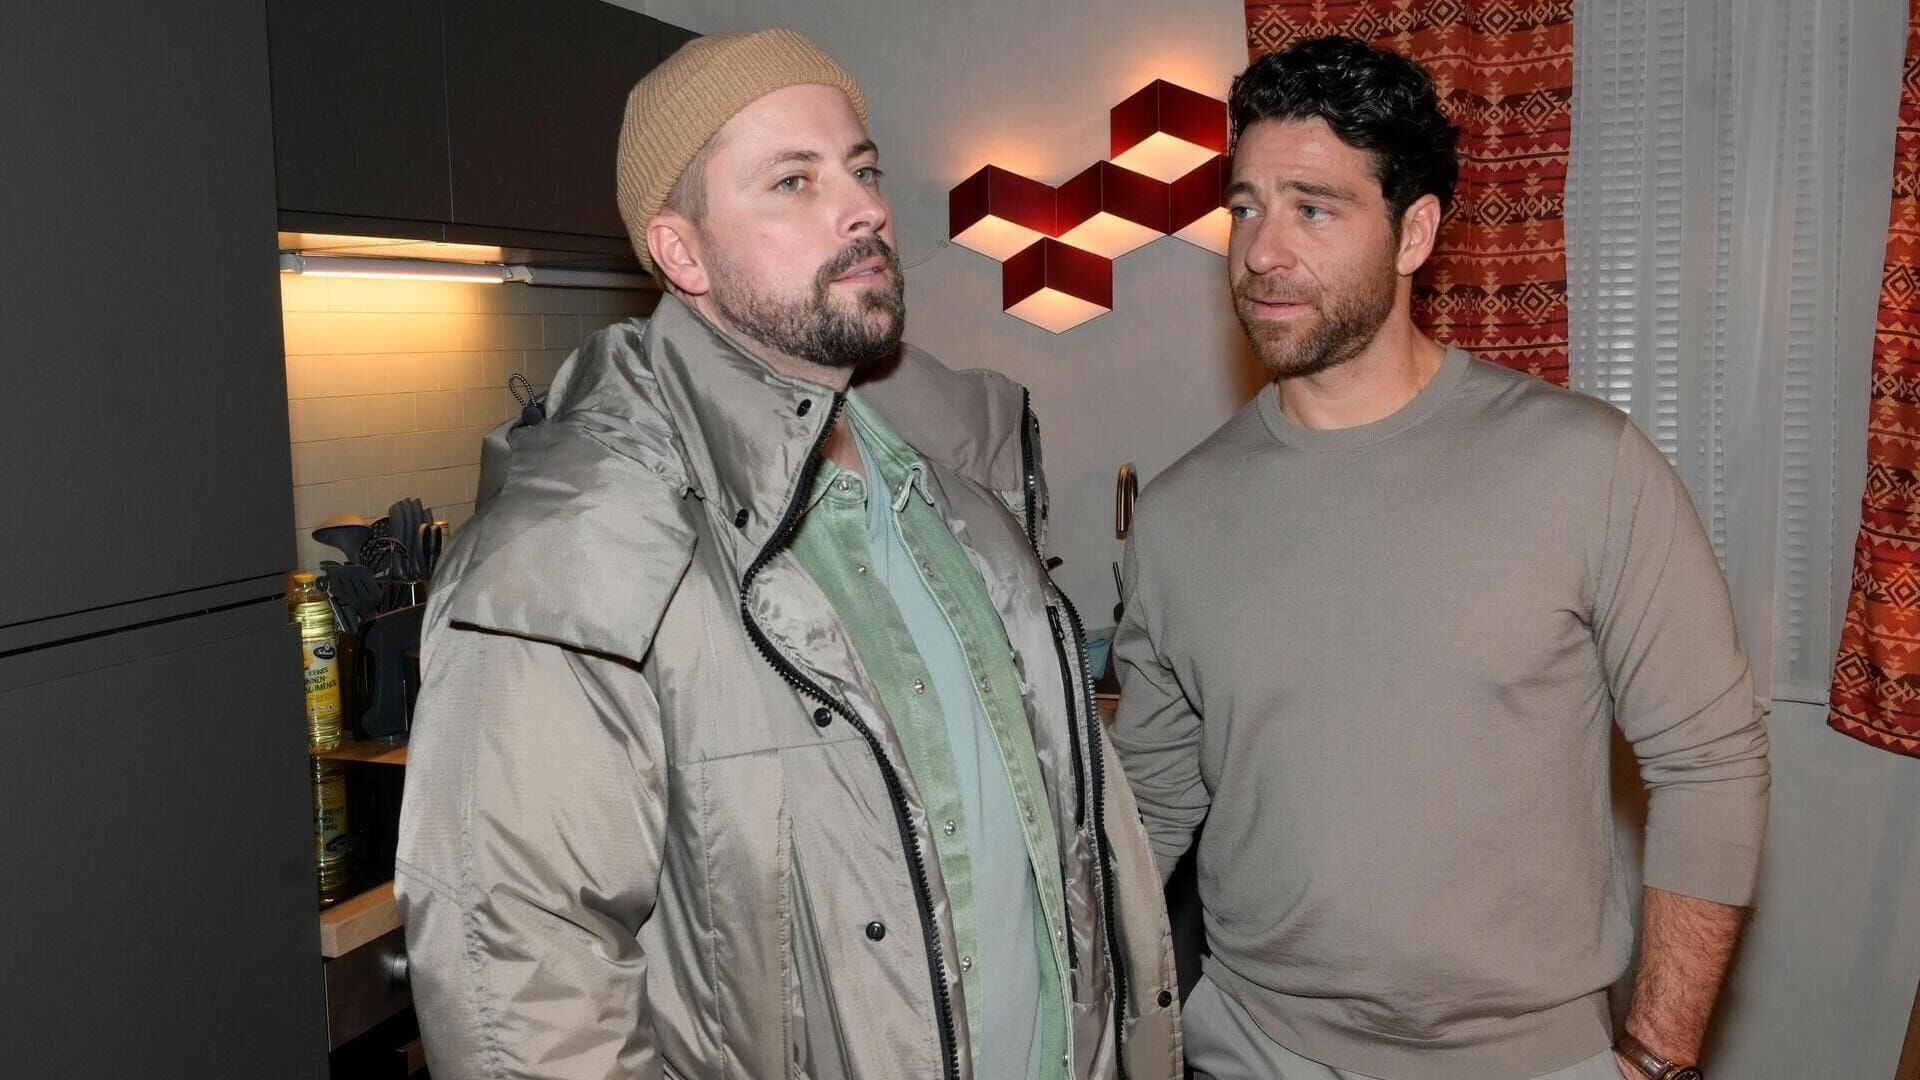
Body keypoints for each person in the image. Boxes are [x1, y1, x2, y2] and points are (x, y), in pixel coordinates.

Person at [393, 27, 1180, 1080]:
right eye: (793, 181)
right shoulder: (569, 550)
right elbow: (520, 1000)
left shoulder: (960, 499)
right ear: (682, 253)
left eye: (863, 170)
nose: (863, 209)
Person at [1109, 35, 1768, 1080]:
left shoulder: (1585, 466)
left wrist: (1659, 1055)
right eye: (1244, 207)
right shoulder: (1179, 515)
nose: (1261, 252)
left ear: (1414, 232)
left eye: (1313, 209)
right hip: (1253, 1049)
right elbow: (1143, 810)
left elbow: (1710, 763)